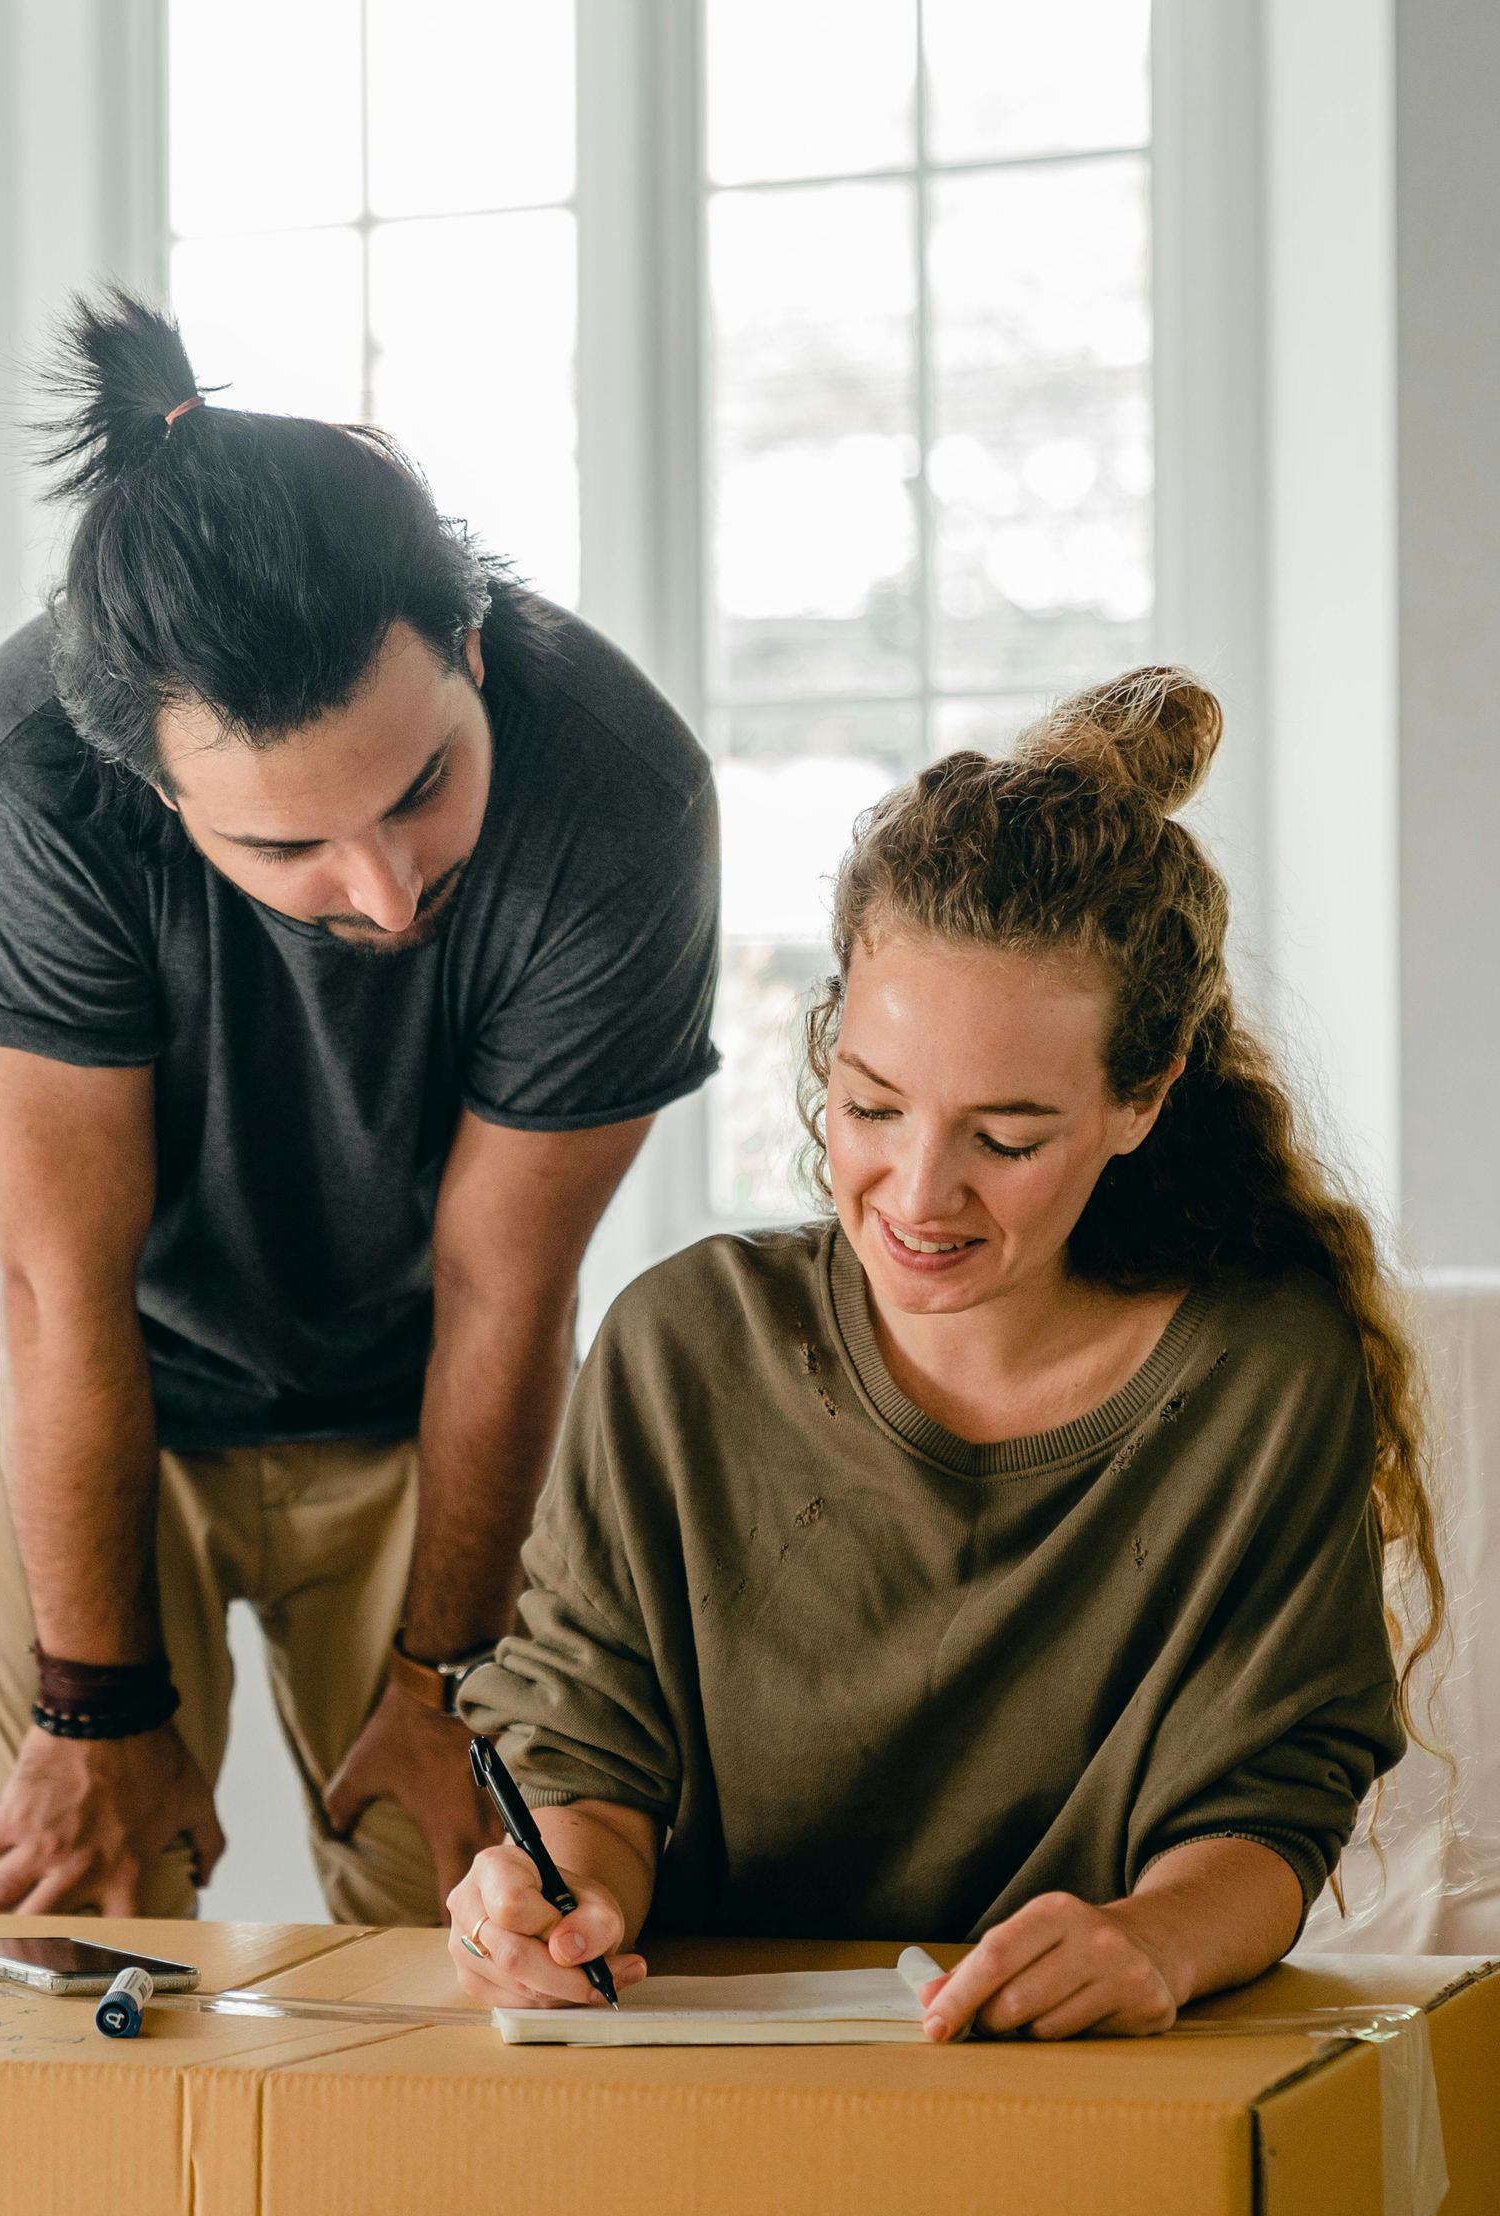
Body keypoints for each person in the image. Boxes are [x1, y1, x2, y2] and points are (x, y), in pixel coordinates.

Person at [0, 291, 719, 1926]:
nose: (391, 895)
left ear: (468, 650)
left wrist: (446, 1678)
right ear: (152, 784)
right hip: (45, 1352)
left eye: (422, 789)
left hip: (422, 1367)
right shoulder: (17, 791)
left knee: (481, 1922)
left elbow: (508, 1282)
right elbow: (64, 1288)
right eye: (288, 851)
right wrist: (94, 1707)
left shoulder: (622, 796)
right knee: (75, 1928)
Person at [449, 668, 1441, 2039]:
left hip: (1089, 2081)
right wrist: (561, 1892)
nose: (917, 1196)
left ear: (1142, 1100)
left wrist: (1151, 1942)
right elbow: (585, 1744)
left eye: (1008, 1138)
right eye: (869, 1106)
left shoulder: (1263, 1375)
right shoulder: (682, 1347)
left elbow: (1273, 1795)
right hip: (712, 2078)